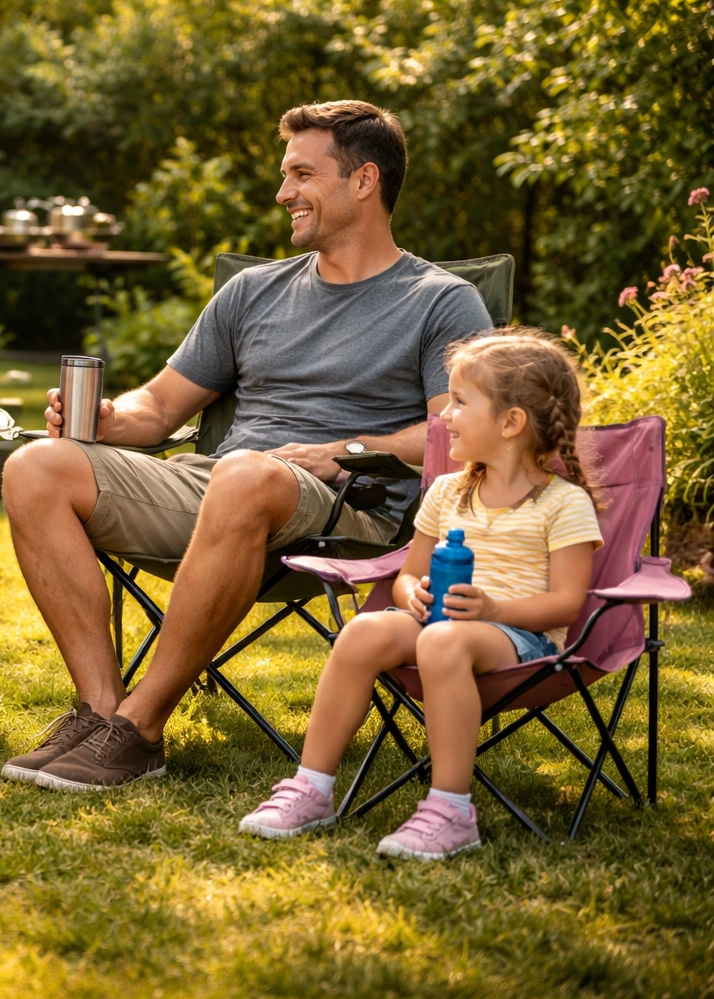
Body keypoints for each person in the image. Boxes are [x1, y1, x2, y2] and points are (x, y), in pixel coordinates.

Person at [0, 100, 495, 791]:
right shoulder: (252, 291)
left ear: (363, 181)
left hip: (352, 506)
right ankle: (102, 712)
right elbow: (162, 405)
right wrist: (112, 420)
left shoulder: (441, 300)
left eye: (300, 174)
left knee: (244, 473)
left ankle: (142, 727)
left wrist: (346, 450)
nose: (282, 192)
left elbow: (457, 428)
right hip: (224, 485)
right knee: (33, 467)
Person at [238, 328, 602, 859]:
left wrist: (494, 609)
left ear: (511, 422)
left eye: (459, 403)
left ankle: (451, 810)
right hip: (440, 623)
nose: (444, 417)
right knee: (363, 630)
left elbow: (568, 603)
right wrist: (410, 594)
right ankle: (311, 787)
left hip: (521, 638)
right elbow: (409, 574)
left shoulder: (562, 504)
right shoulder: (448, 493)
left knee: (443, 643)